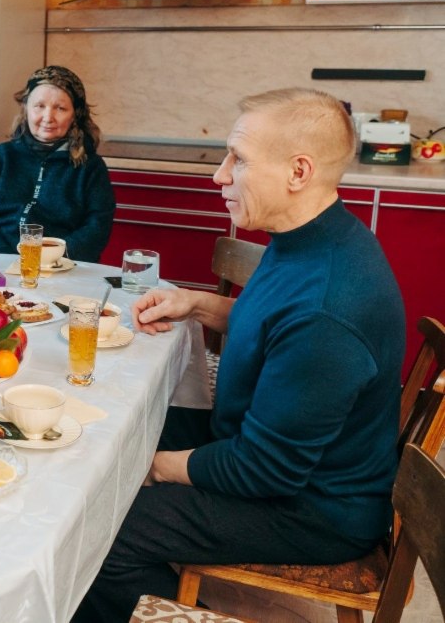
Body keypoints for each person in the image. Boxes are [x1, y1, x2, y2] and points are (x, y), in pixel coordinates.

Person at [72, 88, 405, 621]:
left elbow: (263, 472)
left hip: (311, 508)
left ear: (298, 172)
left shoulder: (328, 309)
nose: (219, 175)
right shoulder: (313, 238)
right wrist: (199, 304)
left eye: (239, 159)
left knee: (95, 528)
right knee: (107, 425)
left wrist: (145, 468)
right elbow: (274, 323)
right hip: (257, 443)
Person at [0, 65, 115, 263]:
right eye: (39, 106)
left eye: (60, 108)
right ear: (26, 109)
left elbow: (97, 226)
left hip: (61, 268)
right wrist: (0, 256)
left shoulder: (90, 167)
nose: (48, 117)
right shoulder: (1, 157)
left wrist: (53, 257)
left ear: (75, 114)